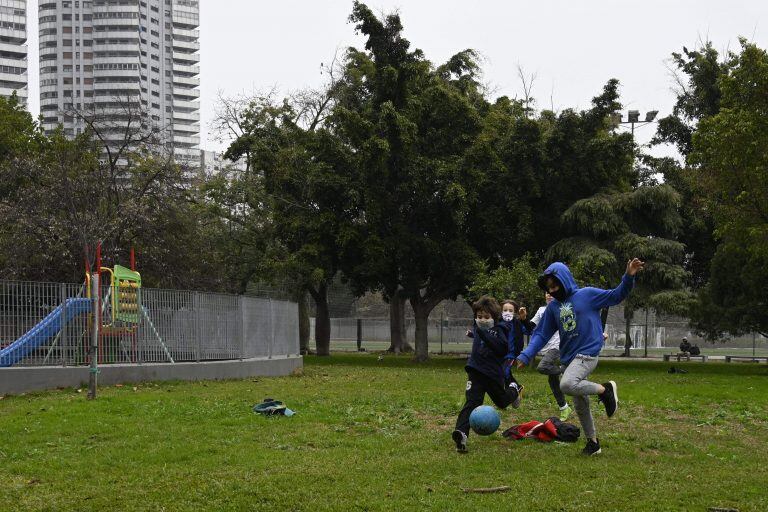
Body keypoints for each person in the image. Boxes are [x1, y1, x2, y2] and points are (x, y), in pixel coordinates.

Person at [515, 258, 644, 456]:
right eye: (549, 288)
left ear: (564, 279)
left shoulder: (587, 295)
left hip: (588, 353)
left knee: (566, 385)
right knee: (580, 404)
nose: (552, 290)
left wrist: (629, 276)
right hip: (568, 359)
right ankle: (593, 443)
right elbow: (541, 334)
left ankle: (605, 389)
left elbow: (616, 295)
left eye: (555, 285)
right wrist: (526, 354)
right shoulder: (553, 308)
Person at [453, 296, 523, 453]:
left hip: (492, 374)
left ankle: (514, 389)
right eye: (479, 317)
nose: (482, 320)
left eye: (486, 317)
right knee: (471, 403)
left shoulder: (500, 329)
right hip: (475, 371)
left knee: (503, 402)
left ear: (494, 317)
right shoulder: (477, 325)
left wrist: (484, 333)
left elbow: (501, 349)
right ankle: (461, 435)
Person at [529, 292, 572, 421]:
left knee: (543, 367)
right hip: (546, 348)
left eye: (552, 293)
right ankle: (564, 408)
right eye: (547, 293)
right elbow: (530, 326)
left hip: (557, 346)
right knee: (552, 381)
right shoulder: (541, 310)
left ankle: (564, 370)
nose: (549, 295)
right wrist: (522, 319)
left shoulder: (562, 308)